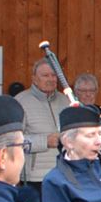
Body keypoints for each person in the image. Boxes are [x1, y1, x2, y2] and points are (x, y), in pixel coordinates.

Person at [14, 60, 67, 188]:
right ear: (34, 79)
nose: (51, 79)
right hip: (34, 178)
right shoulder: (20, 102)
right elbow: (12, 141)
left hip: (64, 174)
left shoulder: (66, 101)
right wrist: (44, 141)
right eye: (45, 75)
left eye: (54, 75)